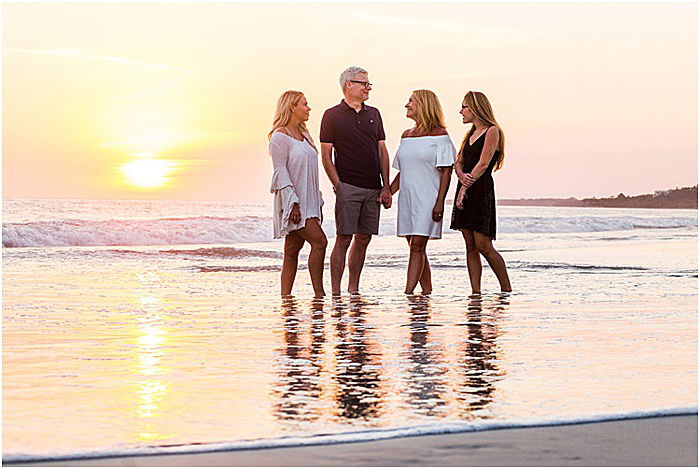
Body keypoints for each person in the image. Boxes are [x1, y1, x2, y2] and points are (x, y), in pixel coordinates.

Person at [320, 66, 392, 295]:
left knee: (364, 239)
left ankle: (353, 289)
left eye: (369, 83)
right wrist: (338, 186)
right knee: (343, 239)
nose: (368, 87)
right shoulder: (331, 115)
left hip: (373, 188)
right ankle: (335, 292)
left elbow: (382, 151)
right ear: (348, 85)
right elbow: (325, 155)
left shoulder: (374, 114)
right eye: (364, 83)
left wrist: (386, 186)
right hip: (348, 187)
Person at [389, 90, 455, 295]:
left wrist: (440, 203)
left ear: (424, 105)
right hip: (408, 198)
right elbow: (403, 172)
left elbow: (446, 171)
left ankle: (408, 293)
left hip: (429, 198)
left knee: (417, 244)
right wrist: (388, 192)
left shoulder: (440, 135)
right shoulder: (406, 136)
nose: (406, 105)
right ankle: (426, 292)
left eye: (411, 101)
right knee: (414, 246)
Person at [450, 91, 512, 294]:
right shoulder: (469, 134)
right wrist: (460, 177)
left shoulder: (492, 130)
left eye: (464, 107)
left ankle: (506, 289)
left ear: (476, 108)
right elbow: (458, 161)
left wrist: (465, 187)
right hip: (465, 186)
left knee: (483, 244)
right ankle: (475, 292)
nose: (461, 111)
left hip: (480, 189)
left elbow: (484, 163)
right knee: (469, 245)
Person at [269, 91, 327, 297]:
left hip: (309, 202)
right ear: (292, 107)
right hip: (295, 203)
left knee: (292, 251)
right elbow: (280, 171)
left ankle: (286, 299)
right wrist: (292, 203)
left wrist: (317, 200)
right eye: (304, 104)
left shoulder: (304, 136)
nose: (309, 108)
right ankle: (319, 295)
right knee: (320, 242)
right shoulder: (279, 136)